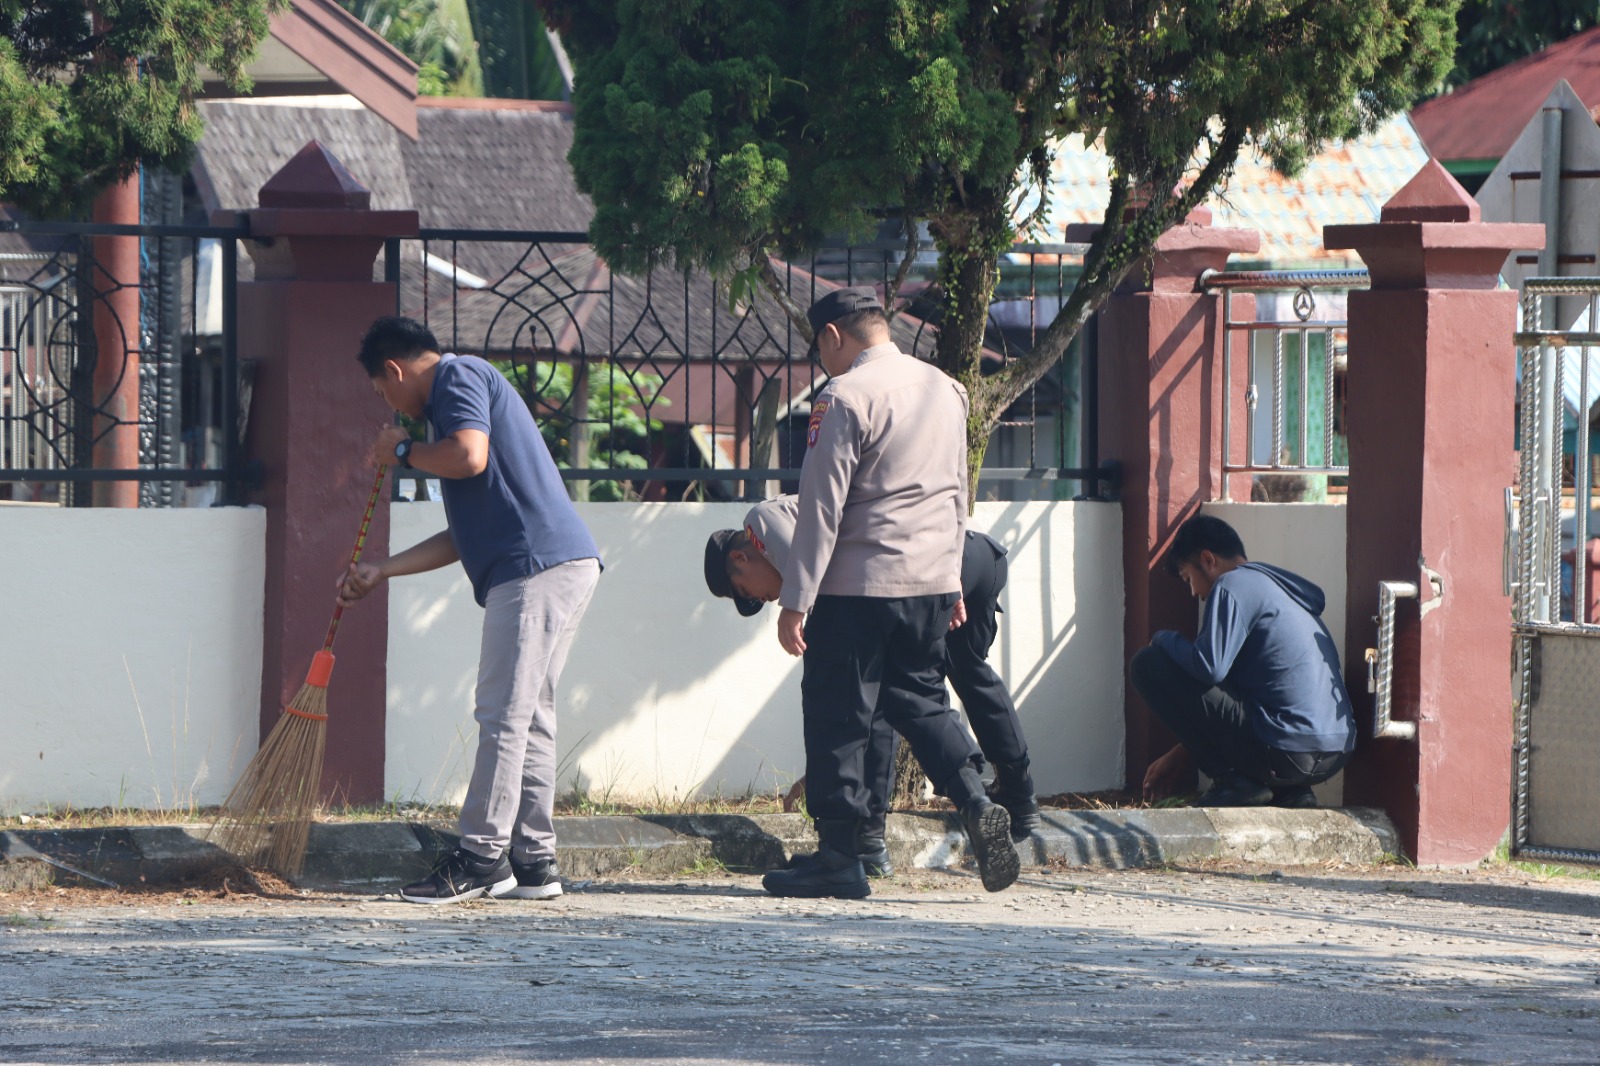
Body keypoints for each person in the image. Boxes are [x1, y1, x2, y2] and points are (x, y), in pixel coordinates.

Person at [759, 286, 1020, 900]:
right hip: (930, 580)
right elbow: (958, 492)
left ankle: (839, 858)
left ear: (832, 336)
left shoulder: (846, 395)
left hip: (859, 587)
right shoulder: (946, 389)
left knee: (839, 714)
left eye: (817, 348)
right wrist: (952, 578)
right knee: (922, 700)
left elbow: (821, 507)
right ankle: (977, 800)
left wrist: (797, 598)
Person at [339, 316, 602, 904]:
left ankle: (480, 856)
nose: (392, 408)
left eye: (384, 394)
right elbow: (465, 534)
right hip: (554, 562)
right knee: (528, 717)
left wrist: (402, 451)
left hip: (534, 567)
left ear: (394, 370)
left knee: (503, 713)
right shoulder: (452, 408)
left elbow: (469, 457)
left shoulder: (456, 377)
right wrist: (383, 569)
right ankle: (533, 863)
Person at [704, 495, 1041, 876]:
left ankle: (866, 841)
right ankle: (999, 800)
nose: (766, 598)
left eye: (749, 592)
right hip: (944, 563)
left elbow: (822, 584)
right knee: (935, 688)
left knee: (869, 692)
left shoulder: (762, 521)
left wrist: (795, 611)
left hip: (926, 569)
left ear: (740, 558)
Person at [1129, 514, 1354, 808]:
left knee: (1148, 664)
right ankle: (1292, 791)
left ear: (1208, 559)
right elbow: (1229, 698)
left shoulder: (1232, 585)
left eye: (1188, 579)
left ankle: (1233, 781)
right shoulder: (1278, 590)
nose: (1195, 593)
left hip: (1286, 750)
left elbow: (1209, 667)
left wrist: (1163, 639)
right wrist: (1180, 753)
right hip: (1333, 754)